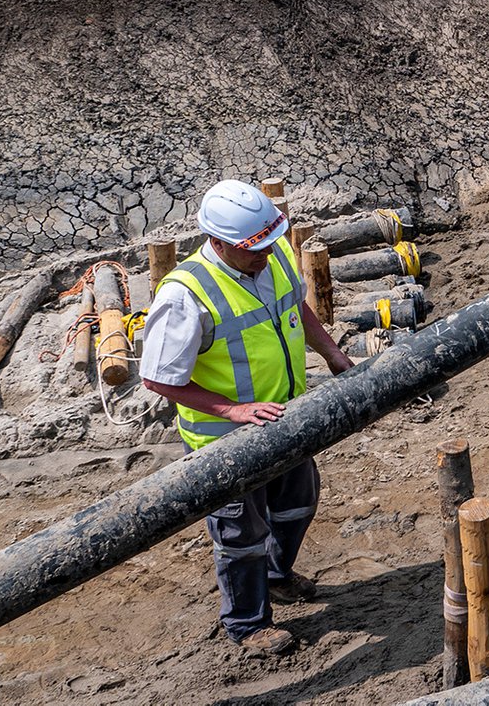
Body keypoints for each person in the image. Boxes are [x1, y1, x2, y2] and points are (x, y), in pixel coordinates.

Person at [140, 179, 355, 657]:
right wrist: (233, 410)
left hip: (285, 418)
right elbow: (158, 378)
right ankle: (247, 625)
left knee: (298, 503)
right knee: (240, 533)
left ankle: (277, 577)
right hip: (226, 441)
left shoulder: (271, 253)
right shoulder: (185, 294)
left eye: (269, 242)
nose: (265, 254)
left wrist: (333, 354)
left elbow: (294, 306)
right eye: (252, 248)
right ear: (218, 243)